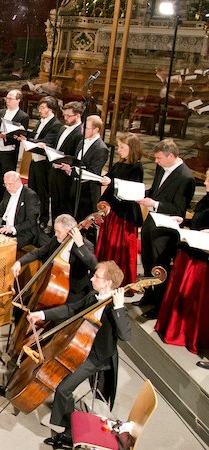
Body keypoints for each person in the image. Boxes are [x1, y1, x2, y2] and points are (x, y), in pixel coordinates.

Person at [26, 261, 130, 449]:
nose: (91, 278)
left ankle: (69, 433)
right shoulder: (93, 296)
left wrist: (119, 308)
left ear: (108, 283)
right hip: (80, 346)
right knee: (61, 384)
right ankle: (68, 421)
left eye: (96, 276)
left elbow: (125, 336)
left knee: (63, 388)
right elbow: (70, 309)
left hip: (96, 357)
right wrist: (42, 314)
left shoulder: (115, 307)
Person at [136, 139, 196, 319]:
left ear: (171, 156)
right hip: (151, 224)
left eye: (159, 158)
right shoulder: (162, 167)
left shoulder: (186, 178)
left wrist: (155, 204)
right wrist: (139, 194)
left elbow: (178, 209)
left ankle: (159, 305)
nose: (156, 161)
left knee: (159, 267)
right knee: (147, 262)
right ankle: (148, 296)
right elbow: (155, 190)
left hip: (165, 231)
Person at [155, 170, 209, 354]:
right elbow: (199, 221)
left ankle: (186, 335)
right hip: (190, 250)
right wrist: (183, 220)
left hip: (201, 257)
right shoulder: (207, 198)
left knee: (193, 298)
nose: (205, 182)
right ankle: (171, 328)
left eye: (208, 179)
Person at [12, 214, 97, 304]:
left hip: (74, 291)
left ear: (70, 232)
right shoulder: (55, 240)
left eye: (58, 231)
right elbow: (38, 253)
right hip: (53, 285)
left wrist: (80, 246)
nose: (56, 234)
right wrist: (19, 262)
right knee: (25, 303)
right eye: (55, 230)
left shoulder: (86, 246)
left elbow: (94, 266)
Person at [94, 133, 144, 286]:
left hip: (124, 215)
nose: (119, 150)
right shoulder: (119, 164)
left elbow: (132, 189)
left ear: (132, 149)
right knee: (108, 245)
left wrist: (112, 181)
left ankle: (121, 280)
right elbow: (110, 179)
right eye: (119, 147)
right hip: (112, 211)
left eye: (123, 147)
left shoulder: (137, 167)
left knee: (119, 248)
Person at [20, 96, 63, 227]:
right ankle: (32, 215)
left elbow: (47, 142)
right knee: (32, 189)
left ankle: (43, 219)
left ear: (51, 109)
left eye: (43, 107)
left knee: (42, 192)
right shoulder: (41, 121)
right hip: (34, 159)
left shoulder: (56, 125)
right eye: (39, 107)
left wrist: (28, 141)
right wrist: (24, 136)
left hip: (44, 163)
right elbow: (36, 137)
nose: (39, 109)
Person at [56, 115, 108, 223]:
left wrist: (71, 170)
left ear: (96, 129)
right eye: (82, 127)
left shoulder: (101, 149)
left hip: (88, 192)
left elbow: (93, 172)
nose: (82, 130)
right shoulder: (82, 142)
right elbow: (77, 161)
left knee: (86, 224)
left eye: (86, 128)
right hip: (76, 187)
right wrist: (65, 163)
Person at [0, 89, 30, 208]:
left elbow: (21, 135)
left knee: (7, 180)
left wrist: (6, 136)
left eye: (10, 99)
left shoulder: (23, 116)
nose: (7, 101)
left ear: (18, 100)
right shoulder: (1, 112)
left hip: (9, 151)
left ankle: (6, 206)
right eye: (6, 98)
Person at [48, 101, 85, 220]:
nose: (65, 118)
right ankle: (54, 229)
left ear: (78, 115)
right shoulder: (63, 128)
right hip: (55, 171)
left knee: (64, 206)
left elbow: (77, 157)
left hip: (66, 175)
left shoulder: (80, 133)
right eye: (64, 115)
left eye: (69, 116)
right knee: (54, 203)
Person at [0, 171, 42, 250]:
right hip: (6, 228)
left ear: (18, 182)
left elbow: (31, 221)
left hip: (23, 233)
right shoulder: (8, 191)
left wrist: (12, 229)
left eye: (10, 184)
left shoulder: (30, 195)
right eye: (5, 184)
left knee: (3, 248)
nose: (7, 187)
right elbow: (0, 209)